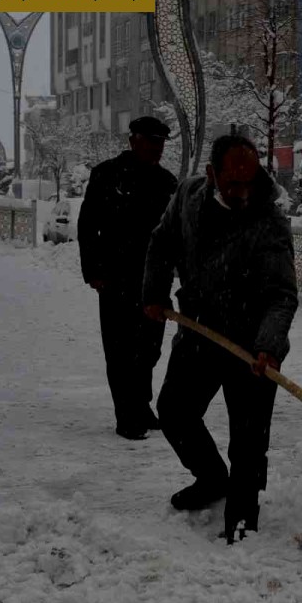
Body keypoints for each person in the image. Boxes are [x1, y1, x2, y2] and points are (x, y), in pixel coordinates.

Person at [142, 134, 299, 543]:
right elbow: (161, 242)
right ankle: (212, 479)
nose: (244, 193)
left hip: (251, 345)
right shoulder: (189, 197)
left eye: (250, 182)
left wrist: (268, 345)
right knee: (174, 410)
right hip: (199, 328)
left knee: (247, 440)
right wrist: (155, 292)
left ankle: (243, 521)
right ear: (212, 174)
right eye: (233, 183)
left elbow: (282, 295)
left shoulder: (269, 222)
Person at [77, 116, 178, 441]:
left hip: (154, 281)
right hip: (116, 278)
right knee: (121, 350)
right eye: (150, 142)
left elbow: (176, 233)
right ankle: (126, 415)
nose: (156, 149)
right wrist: (94, 271)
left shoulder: (166, 182)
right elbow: (87, 225)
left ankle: (142, 404)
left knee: (149, 348)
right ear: (133, 140)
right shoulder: (107, 175)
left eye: (160, 143)